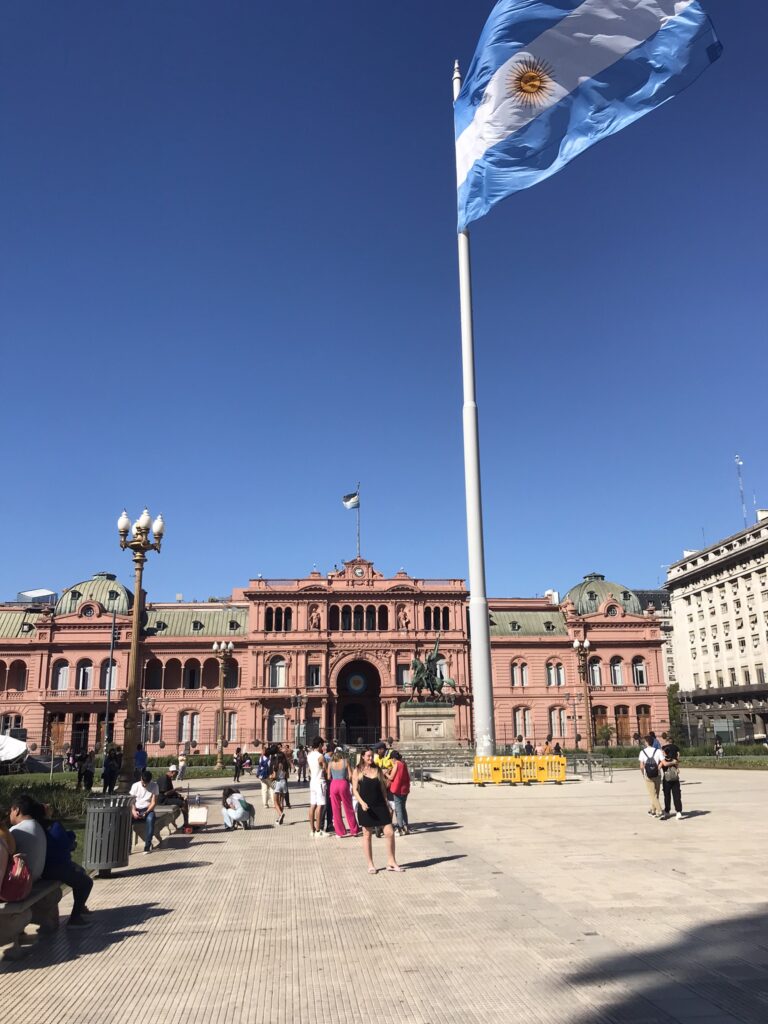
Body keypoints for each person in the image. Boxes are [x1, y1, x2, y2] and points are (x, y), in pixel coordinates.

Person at [352, 748, 403, 874]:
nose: (370, 758)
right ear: (363, 757)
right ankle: (370, 864)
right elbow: (354, 790)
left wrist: (387, 804)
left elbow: (383, 789)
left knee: (389, 832)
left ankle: (391, 862)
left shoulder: (378, 770)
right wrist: (362, 803)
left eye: (372, 756)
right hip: (366, 807)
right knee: (367, 835)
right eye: (368, 756)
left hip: (380, 805)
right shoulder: (357, 771)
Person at [43, 808, 94, 927]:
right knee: (86, 882)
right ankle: (75, 918)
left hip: (47, 866)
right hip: (54, 867)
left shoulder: (39, 827)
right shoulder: (53, 826)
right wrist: (71, 838)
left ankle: (80, 906)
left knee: (80, 871)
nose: (49, 806)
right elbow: (65, 843)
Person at [8, 793, 47, 882]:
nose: (10, 814)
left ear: (17, 810)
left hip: (21, 882)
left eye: (11, 811)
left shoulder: (17, 830)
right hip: (36, 878)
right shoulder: (37, 826)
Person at [327, 748, 360, 839]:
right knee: (348, 807)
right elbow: (350, 775)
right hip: (343, 784)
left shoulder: (330, 763)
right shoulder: (345, 762)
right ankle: (354, 830)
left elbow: (328, 776)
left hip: (334, 785)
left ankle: (340, 832)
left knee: (336, 809)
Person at [130, 769, 160, 854]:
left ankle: (147, 845)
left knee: (150, 819)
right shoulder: (135, 786)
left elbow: (153, 802)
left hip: (147, 809)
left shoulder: (154, 786)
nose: (144, 785)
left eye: (146, 783)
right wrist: (133, 811)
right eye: (143, 782)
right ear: (141, 779)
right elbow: (131, 801)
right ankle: (127, 846)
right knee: (126, 820)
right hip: (136, 809)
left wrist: (146, 812)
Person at [387, 751, 411, 837]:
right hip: (405, 789)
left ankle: (400, 828)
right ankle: (406, 827)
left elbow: (391, 777)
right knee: (403, 808)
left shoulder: (396, 764)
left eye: (391, 759)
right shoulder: (403, 763)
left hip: (397, 789)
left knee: (398, 809)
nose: (391, 761)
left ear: (393, 758)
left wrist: (386, 773)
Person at [639, 734, 664, 818]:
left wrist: (643, 773)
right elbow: (662, 762)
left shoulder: (642, 752)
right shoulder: (658, 751)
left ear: (646, 742)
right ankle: (652, 810)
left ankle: (659, 810)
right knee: (656, 794)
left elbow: (641, 766)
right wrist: (658, 768)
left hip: (648, 775)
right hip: (657, 774)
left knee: (652, 795)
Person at [307, 737, 327, 837]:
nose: (323, 747)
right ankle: (319, 830)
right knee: (320, 805)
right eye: (322, 745)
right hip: (320, 781)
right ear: (319, 745)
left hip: (312, 782)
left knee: (312, 805)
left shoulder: (309, 755)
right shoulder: (320, 756)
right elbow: (325, 769)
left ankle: (312, 829)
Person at [660, 737, 684, 820]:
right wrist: (676, 766)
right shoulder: (675, 758)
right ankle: (678, 811)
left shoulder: (663, 760)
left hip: (666, 778)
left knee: (667, 795)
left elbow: (659, 766)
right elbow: (678, 757)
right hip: (675, 777)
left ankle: (667, 811)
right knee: (676, 794)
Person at [271, 748, 290, 826]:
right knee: (282, 801)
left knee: (275, 801)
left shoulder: (276, 765)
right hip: (284, 782)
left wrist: (271, 777)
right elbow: (287, 775)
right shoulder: (286, 765)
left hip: (278, 782)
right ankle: (279, 818)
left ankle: (281, 814)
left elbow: (274, 776)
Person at [257, 744, 274, 809]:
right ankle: (273, 802)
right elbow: (271, 767)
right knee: (272, 788)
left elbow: (260, 766)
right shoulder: (270, 759)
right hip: (269, 776)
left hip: (262, 776)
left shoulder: (261, 758)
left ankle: (265, 804)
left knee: (264, 789)